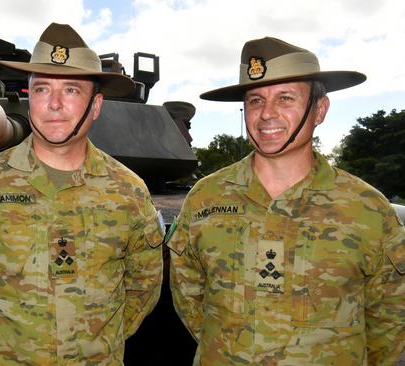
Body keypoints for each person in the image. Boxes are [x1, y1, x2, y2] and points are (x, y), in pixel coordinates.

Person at [0, 22, 164, 365]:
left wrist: (93, 344)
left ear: (96, 106)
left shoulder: (129, 191)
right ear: (29, 98)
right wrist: (3, 347)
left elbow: (144, 286)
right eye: (41, 90)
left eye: (71, 90)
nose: (54, 104)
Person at [167, 36, 405, 365]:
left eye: (286, 98)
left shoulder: (368, 209)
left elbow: (390, 320)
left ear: (319, 109)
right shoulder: (205, 199)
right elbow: (190, 298)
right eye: (254, 100)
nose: (267, 114)